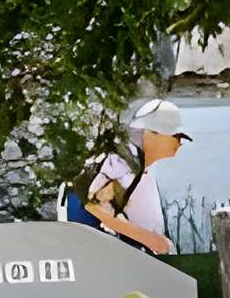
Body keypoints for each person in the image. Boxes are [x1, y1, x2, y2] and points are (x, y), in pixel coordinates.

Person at [81, 98, 192, 256]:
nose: (179, 142)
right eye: (175, 135)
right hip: (127, 259)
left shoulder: (139, 166)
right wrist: (153, 241)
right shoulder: (125, 163)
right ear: (151, 133)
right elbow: (97, 206)